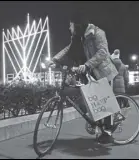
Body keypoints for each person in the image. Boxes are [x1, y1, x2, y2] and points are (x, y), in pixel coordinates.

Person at [46, 11, 118, 143]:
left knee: (103, 102)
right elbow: (68, 49)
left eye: (71, 25)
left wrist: (87, 65)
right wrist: (55, 59)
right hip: (89, 72)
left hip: (102, 71)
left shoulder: (97, 33)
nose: (69, 28)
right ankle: (96, 122)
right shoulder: (79, 37)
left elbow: (103, 52)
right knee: (87, 97)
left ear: (78, 25)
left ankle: (108, 130)